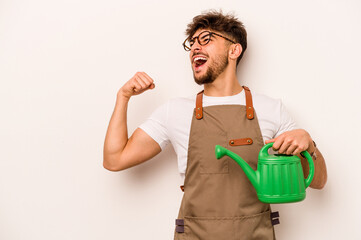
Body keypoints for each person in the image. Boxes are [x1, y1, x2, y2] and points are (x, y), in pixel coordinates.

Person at [103, 10, 327, 240]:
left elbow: (319, 182)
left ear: (234, 50)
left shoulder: (271, 109)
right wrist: (123, 97)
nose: (195, 48)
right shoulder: (174, 111)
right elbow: (114, 159)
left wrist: (308, 144)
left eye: (206, 39)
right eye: (192, 43)